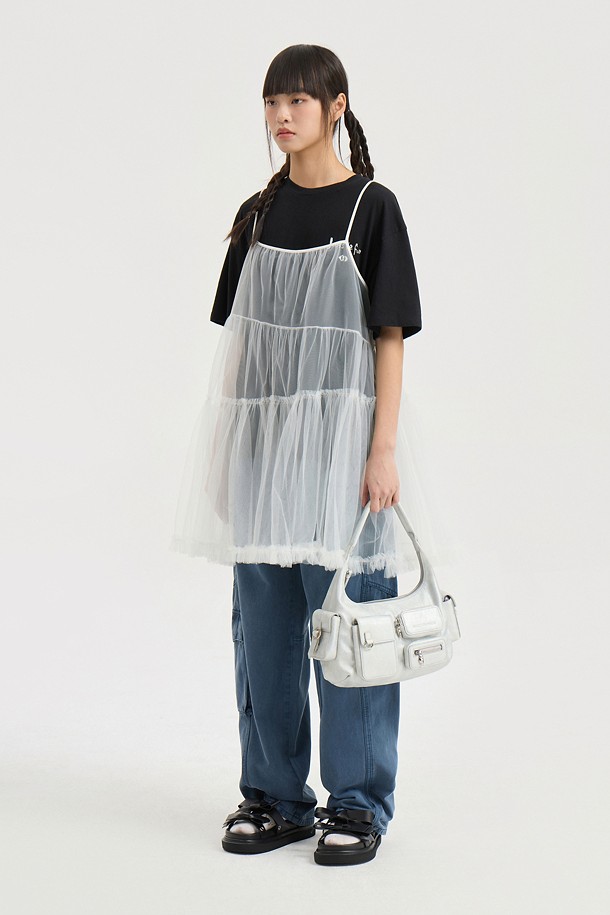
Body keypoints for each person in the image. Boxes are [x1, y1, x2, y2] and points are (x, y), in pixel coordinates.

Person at [170, 44, 449, 866]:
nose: (282, 115)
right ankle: (274, 796)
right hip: (263, 452)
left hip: (343, 456)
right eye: (272, 102)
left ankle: (357, 803)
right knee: (263, 631)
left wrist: (382, 448)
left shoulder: (372, 208)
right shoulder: (258, 215)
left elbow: (389, 335)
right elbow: (243, 346)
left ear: (336, 107)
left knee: (351, 625)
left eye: (297, 100)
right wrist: (226, 452)